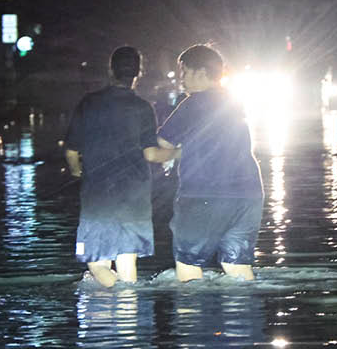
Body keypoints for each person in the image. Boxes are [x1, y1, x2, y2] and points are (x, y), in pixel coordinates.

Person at [65, 46, 173, 287]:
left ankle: (118, 294)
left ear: (110, 70)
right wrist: (177, 153)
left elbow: (72, 150)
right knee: (127, 263)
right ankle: (129, 313)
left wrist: (76, 170)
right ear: (138, 73)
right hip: (135, 198)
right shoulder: (144, 108)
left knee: (97, 263)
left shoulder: (89, 103)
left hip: (98, 197)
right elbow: (151, 153)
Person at [156, 44, 264, 282]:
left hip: (204, 194)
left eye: (184, 72)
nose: (181, 79)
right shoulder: (235, 102)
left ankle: (192, 319)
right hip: (248, 195)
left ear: (202, 72)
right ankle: (242, 316)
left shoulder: (193, 103)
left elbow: (163, 143)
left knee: (188, 266)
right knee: (236, 266)